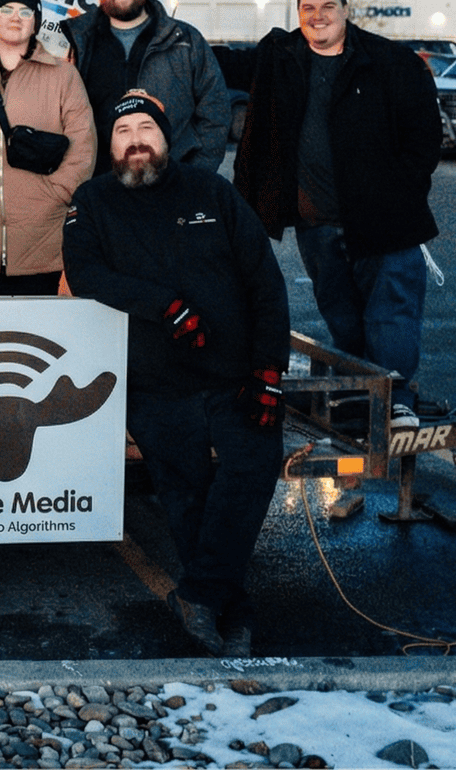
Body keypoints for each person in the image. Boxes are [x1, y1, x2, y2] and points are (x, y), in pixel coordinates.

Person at [63, 91, 289, 656]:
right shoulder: (91, 201)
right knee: (184, 494)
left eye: (146, 128)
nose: (135, 139)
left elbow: (265, 281)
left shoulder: (212, 192)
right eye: (123, 132)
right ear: (110, 146)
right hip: (156, 383)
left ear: (167, 138)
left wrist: (268, 369)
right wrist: (165, 305)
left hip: (233, 376)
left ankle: (201, 593)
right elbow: (86, 273)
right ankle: (226, 607)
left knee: (253, 469)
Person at [233, 0, 442, 422]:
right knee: (342, 314)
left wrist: (401, 194)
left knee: (391, 313)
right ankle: (361, 395)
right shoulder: (284, 58)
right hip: (317, 224)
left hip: (383, 221)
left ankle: (396, 400)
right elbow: (226, 62)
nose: (318, 16)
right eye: (308, 8)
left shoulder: (387, 62)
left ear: (346, 10)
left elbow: (425, 139)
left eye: (328, 7)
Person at [0, 0, 96, 295]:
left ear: (36, 22)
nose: (16, 18)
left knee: (37, 333)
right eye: (7, 10)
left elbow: (83, 143)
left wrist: (58, 194)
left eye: (26, 12)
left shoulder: (63, 76)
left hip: (40, 229)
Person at [61, 0, 230, 176]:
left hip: (170, 181)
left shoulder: (185, 40)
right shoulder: (78, 42)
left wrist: (195, 174)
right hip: (99, 184)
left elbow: (216, 112)